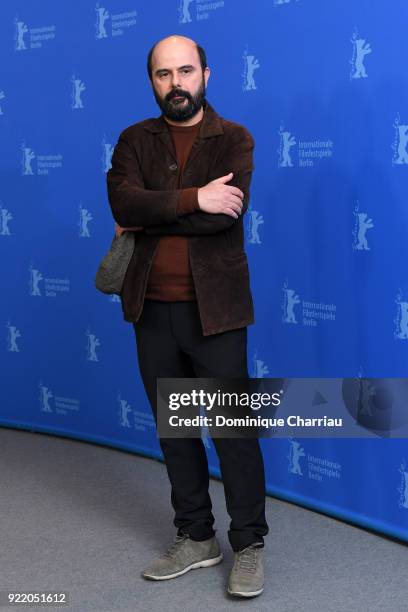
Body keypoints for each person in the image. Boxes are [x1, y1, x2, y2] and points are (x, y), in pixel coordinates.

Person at [107, 34, 269, 598]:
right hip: (151, 310)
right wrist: (192, 198)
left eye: (185, 72)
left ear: (207, 73)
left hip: (216, 311)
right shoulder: (134, 141)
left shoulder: (233, 139)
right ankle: (196, 537)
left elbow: (221, 220)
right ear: (152, 81)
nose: (176, 84)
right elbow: (123, 204)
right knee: (176, 432)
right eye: (163, 75)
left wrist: (162, 210)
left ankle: (248, 544)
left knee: (234, 434)